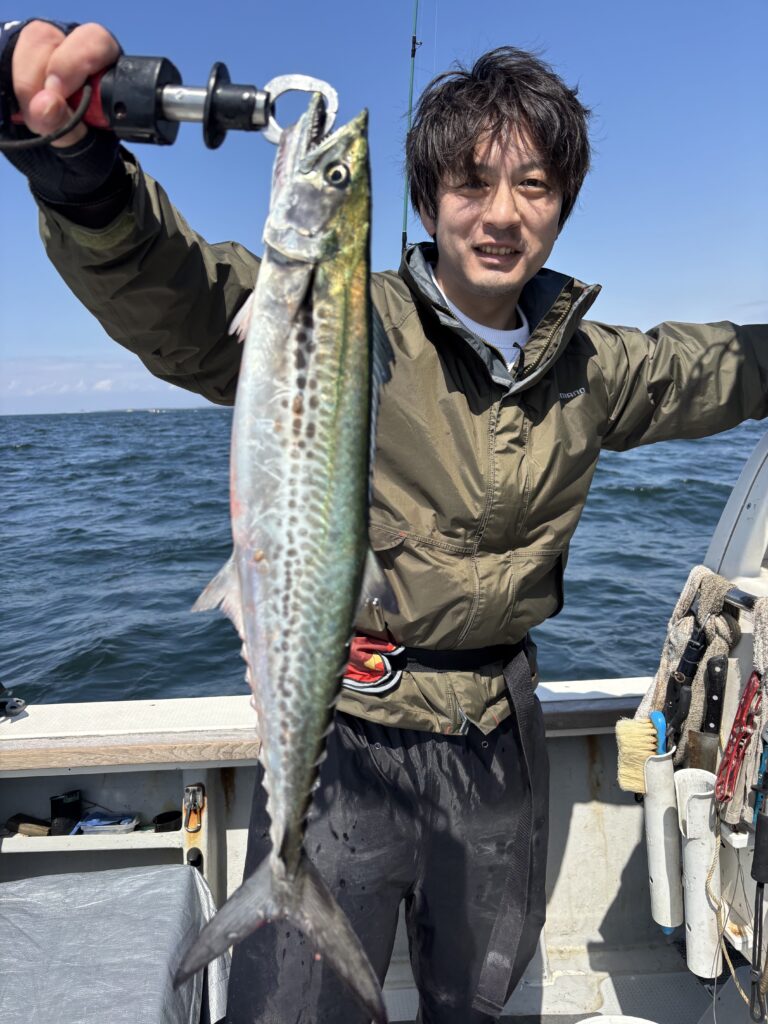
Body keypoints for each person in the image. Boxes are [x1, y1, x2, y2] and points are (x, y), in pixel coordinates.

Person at [2, 18, 767, 1024]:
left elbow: (718, 366)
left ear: (564, 203)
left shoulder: (594, 366)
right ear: (426, 199)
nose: (502, 214)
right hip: (347, 731)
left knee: (473, 1000)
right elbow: (175, 293)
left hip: (498, 740)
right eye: (471, 183)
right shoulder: (336, 311)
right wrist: (80, 176)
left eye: (534, 185)